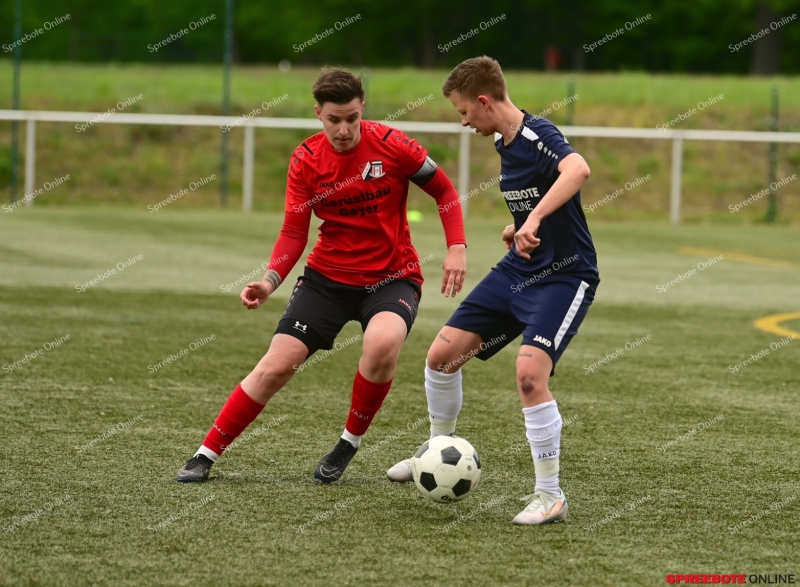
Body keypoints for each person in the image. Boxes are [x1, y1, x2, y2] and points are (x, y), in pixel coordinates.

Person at [176, 68, 467, 484]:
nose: (344, 129)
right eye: (334, 120)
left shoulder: (392, 145)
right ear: (318, 114)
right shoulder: (306, 160)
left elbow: (445, 191)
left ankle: (348, 442)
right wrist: (269, 281)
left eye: (352, 118)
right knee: (277, 365)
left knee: (382, 344)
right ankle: (206, 453)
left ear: (362, 108)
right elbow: (294, 232)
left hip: (392, 277)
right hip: (327, 279)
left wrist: (456, 247)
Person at [386, 56, 600, 526]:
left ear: (484, 101)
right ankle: (437, 449)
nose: (463, 122)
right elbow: (538, 203)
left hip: (565, 276)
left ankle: (550, 495)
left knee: (529, 376)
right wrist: (519, 226)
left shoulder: (536, 134)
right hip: (519, 268)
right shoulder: (505, 144)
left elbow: (578, 170)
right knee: (442, 357)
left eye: (464, 111)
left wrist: (536, 219)